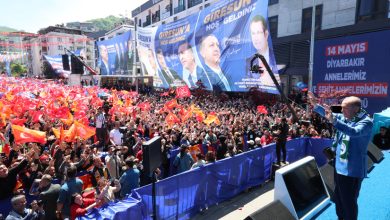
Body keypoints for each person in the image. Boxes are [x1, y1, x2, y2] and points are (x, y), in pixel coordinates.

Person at [308, 92, 373, 220]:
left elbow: (354, 132)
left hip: (352, 170)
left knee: (349, 202)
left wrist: (334, 121)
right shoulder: (347, 117)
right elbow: (330, 115)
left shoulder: (366, 122)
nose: (341, 110)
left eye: (344, 108)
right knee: (338, 198)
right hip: (339, 167)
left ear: (356, 109)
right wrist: (316, 105)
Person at [246, 15, 279, 86]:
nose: (256, 38)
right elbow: (247, 84)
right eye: (253, 33)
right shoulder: (249, 61)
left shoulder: (276, 56)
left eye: (259, 32)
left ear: (266, 34)